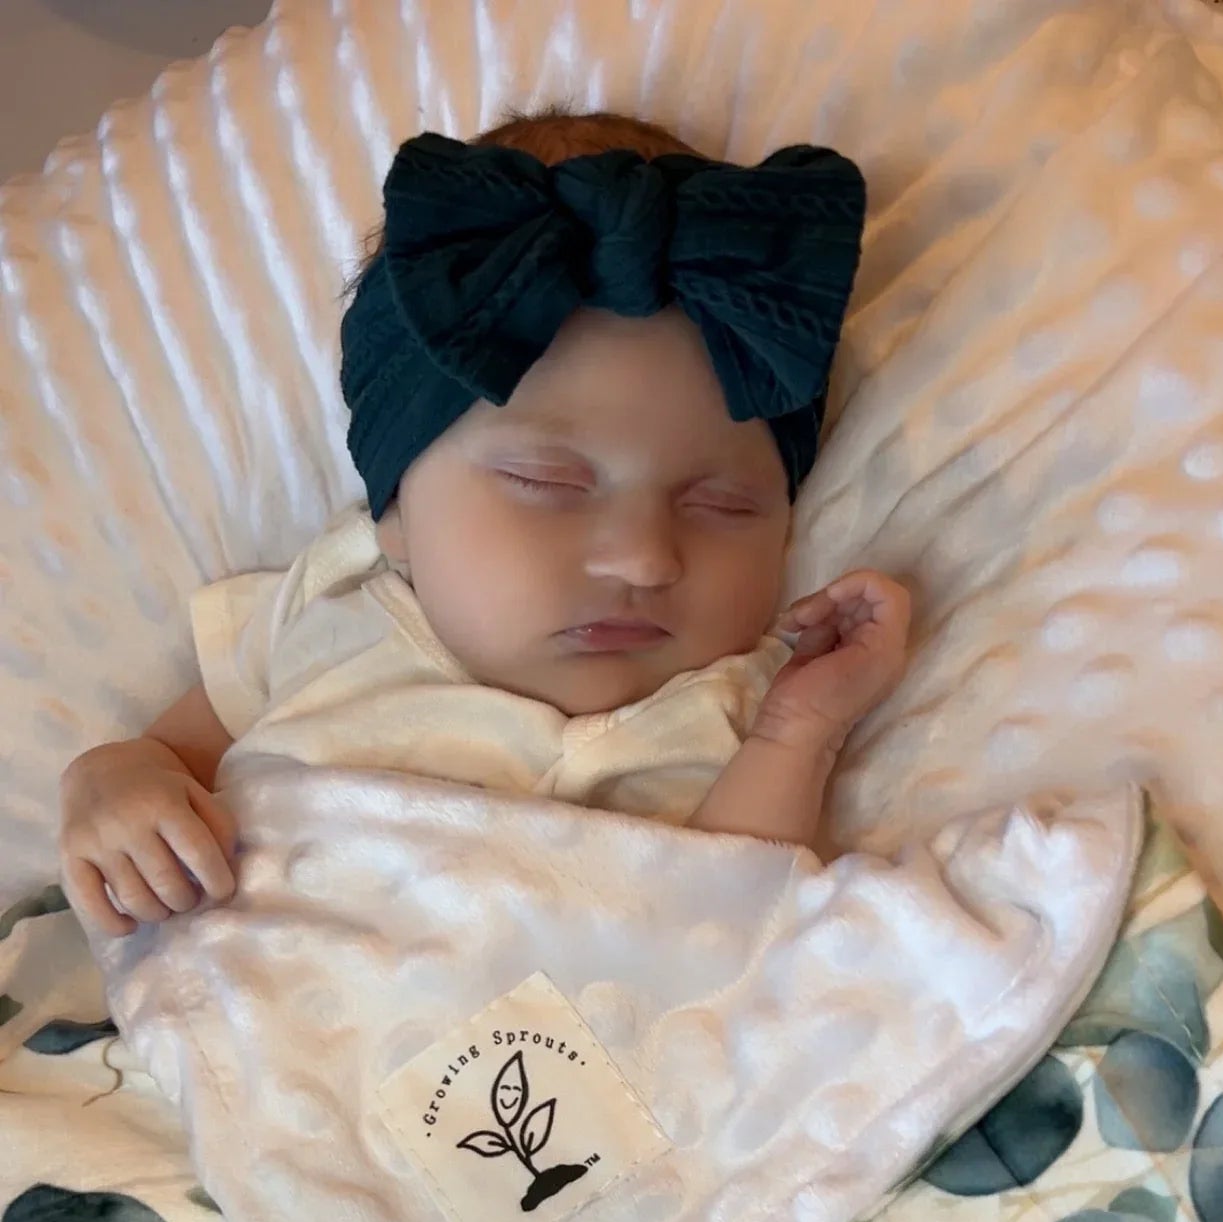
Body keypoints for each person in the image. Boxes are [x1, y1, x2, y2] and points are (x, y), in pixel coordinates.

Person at [59, 109, 910, 940]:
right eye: (547, 482)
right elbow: (162, 754)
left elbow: (726, 927)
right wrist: (111, 787)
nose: (645, 558)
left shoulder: (745, 702)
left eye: (722, 504)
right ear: (394, 509)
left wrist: (800, 734)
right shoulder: (328, 601)